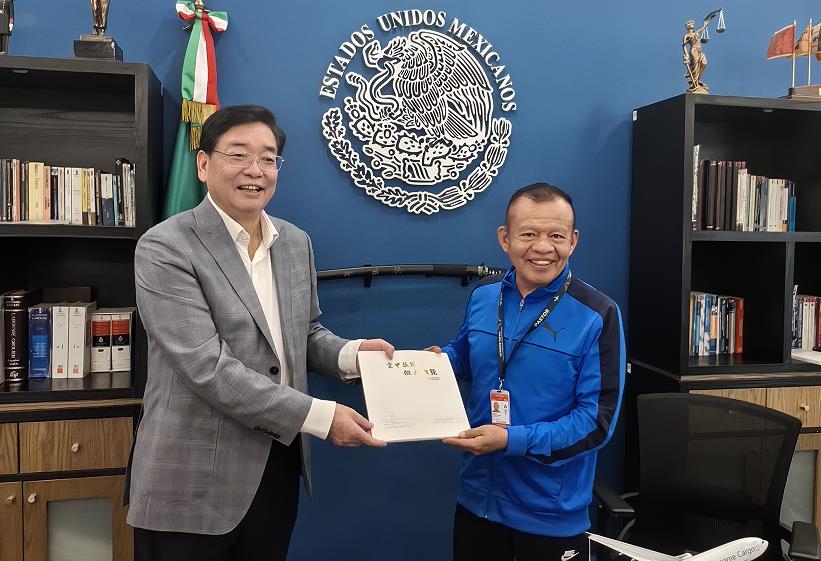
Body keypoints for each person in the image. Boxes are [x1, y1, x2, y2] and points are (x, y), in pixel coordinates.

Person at [127, 105, 395, 561]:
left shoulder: (294, 242)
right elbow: (206, 367)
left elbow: (303, 334)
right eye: (238, 154)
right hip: (190, 479)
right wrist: (321, 417)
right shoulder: (165, 247)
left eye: (268, 158)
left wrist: (353, 355)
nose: (255, 170)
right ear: (203, 164)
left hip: (275, 465)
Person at [430, 182, 625, 561]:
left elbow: (596, 423)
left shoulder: (598, 314)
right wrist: (436, 364)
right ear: (505, 238)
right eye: (529, 234)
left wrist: (510, 440)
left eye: (557, 236)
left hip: (550, 514)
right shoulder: (484, 294)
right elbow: (466, 356)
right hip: (476, 501)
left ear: (573, 241)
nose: (543, 247)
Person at [682, 17, 713, 93]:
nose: (692, 24)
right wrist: (686, 55)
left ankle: (697, 80)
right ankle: (694, 84)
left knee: (704, 63)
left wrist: (708, 20)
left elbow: (703, 28)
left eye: (692, 23)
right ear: (687, 27)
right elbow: (684, 46)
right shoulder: (687, 36)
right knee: (695, 67)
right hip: (694, 51)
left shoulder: (696, 33)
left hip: (699, 51)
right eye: (690, 24)